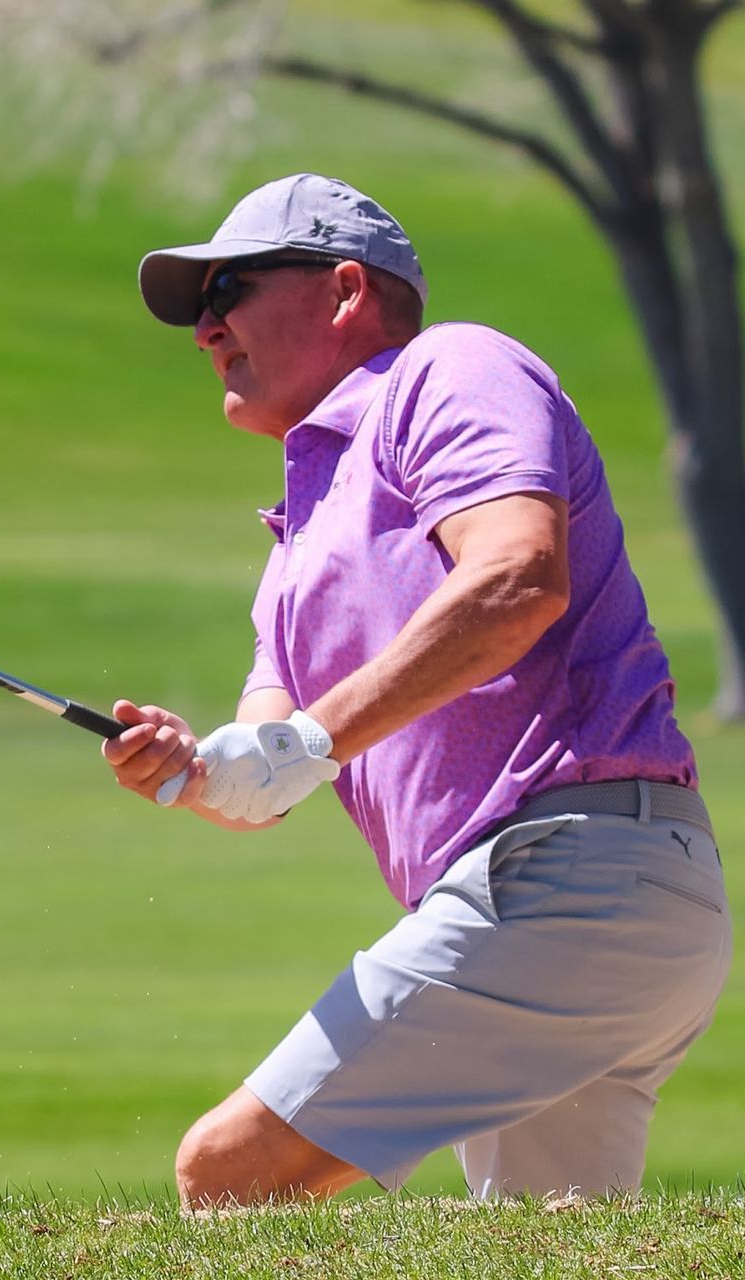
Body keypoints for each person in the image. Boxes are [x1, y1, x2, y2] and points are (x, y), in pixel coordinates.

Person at [106, 172, 731, 1207]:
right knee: (544, 1248)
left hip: (571, 872)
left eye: (230, 290)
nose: (205, 327)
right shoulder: (297, 536)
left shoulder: (448, 369)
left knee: (227, 1173)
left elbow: (517, 577)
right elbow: (267, 756)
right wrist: (194, 764)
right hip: (591, 896)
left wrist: (302, 742)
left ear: (345, 289)